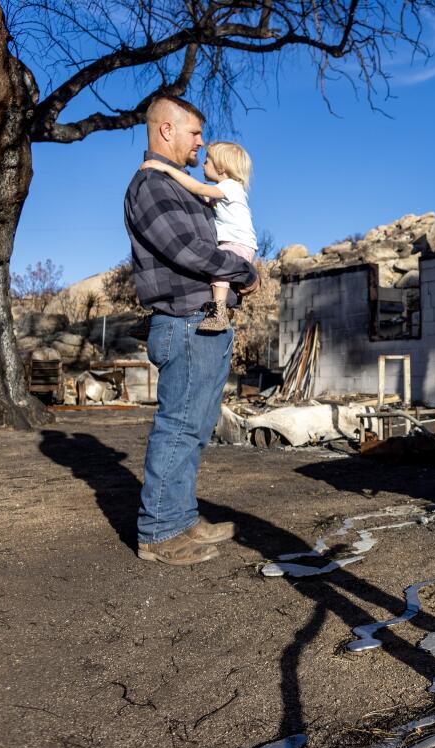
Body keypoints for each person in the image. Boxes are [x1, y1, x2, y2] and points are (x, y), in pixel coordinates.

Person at [123, 95, 260, 566]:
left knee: (196, 428)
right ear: (166, 130)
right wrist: (244, 273)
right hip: (184, 322)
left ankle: (180, 516)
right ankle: (159, 532)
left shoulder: (180, 188)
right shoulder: (152, 185)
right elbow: (187, 251)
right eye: (195, 133)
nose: (202, 142)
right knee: (180, 425)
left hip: (202, 321)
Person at [142, 141, 257, 333]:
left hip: (237, 243)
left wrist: (164, 167)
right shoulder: (224, 190)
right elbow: (200, 195)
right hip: (240, 243)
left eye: (208, 160)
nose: (203, 164)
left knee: (220, 265)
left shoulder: (230, 186)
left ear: (221, 168)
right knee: (220, 265)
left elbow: (198, 189)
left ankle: (218, 312)